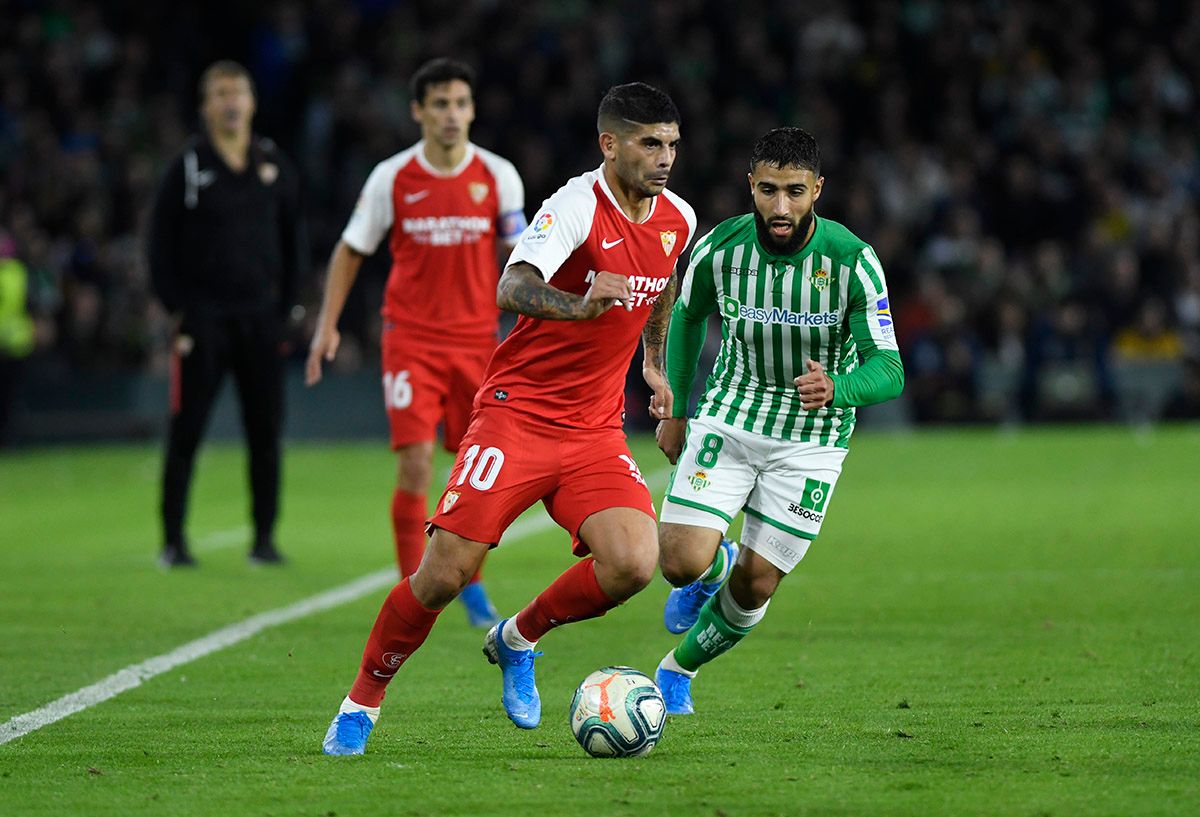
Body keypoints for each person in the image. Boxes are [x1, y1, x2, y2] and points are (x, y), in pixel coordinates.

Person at [321, 81, 696, 755]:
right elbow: (512, 285)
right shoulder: (577, 206)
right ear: (609, 144)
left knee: (635, 562)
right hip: (516, 416)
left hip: (594, 429)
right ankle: (361, 702)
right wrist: (581, 304)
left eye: (671, 143)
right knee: (443, 574)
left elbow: (660, 287)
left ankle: (517, 638)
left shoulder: (679, 218)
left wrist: (656, 364)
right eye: (649, 143)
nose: (665, 157)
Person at [652, 127, 904, 715]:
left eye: (795, 191)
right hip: (732, 413)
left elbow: (889, 369)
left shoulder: (851, 261)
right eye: (768, 190)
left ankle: (676, 670)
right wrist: (679, 408)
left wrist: (838, 386)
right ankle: (711, 565)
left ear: (818, 188)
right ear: (751, 186)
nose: (781, 207)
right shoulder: (722, 247)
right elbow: (689, 316)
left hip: (812, 440)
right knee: (679, 562)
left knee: (757, 582)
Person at [305, 58, 525, 628]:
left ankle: (471, 585)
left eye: (460, 103)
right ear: (418, 112)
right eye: (440, 104)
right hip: (411, 339)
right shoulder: (392, 177)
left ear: (472, 110)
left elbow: (522, 256)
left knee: (472, 472)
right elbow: (352, 248)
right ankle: (413, 596)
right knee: (415, 464)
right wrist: (327, 324)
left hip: (478, 341)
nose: (451, 115)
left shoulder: (498, 176)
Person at [148, 60, 306, 568]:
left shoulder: (273, 164)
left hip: (260, 320)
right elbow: (158, 242)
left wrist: (286, 312)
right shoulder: (189, 166)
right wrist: (177, 310)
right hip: (204, 321)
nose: (231, 101)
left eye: (238, 91)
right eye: (220, 93)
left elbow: (294, 241)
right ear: (206, 106)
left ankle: (264, 539)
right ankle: (174, 542)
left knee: (265, 433)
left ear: (253, 103)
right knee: (187, 431)